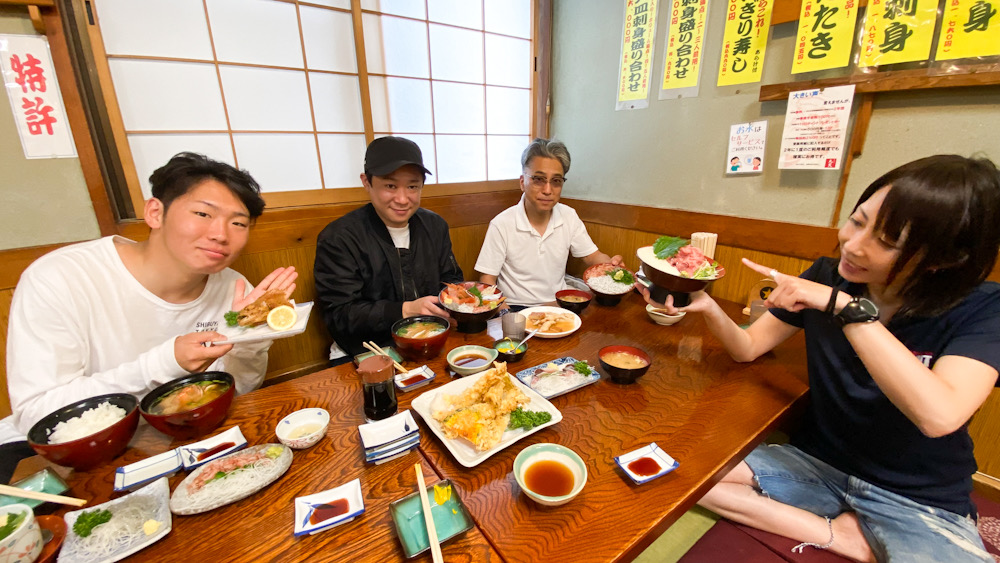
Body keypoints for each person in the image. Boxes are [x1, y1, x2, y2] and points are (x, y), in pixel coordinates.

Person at [640, 155, 1000, 562]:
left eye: (886, 241)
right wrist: (706, 306)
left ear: (942, 260)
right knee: (673, 471)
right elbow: (748, 348)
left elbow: (939, 415)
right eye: (858, 220)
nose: (853, 243)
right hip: (816, 462)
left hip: (915, 496)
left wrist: (844, 307)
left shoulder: (982, 308)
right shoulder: (829, 275)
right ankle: (838, 535)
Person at [1, 152, 297, 477]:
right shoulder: (61, 278)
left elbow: (239, 390)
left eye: (238, 223)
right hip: (62, 461)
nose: (221, 234)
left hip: (176, 443)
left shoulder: (235, 290)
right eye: (202, 213)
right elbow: (36, 415)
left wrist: (250, 341)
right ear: (155, 212)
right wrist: (160, 364)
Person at [314, 136, 463, 359]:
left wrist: (457, 303)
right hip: (365, 351)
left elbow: (451, 281)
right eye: (390, 186)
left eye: (412, 186)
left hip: (431, 343)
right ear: (367, 182)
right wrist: (405, 310)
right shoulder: (339, 237)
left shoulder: (435, 226)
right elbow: (340, 315)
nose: (402, 199)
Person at [475, 138, 623, 307]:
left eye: (556, 181)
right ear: (523, 182)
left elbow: (592, 256)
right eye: (538, 179)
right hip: (516, 307)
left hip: (560, 304)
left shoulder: (568, 215)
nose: (547, 190)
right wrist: (504, 312)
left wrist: (611, 266)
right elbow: (487, 279)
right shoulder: (501, 224)